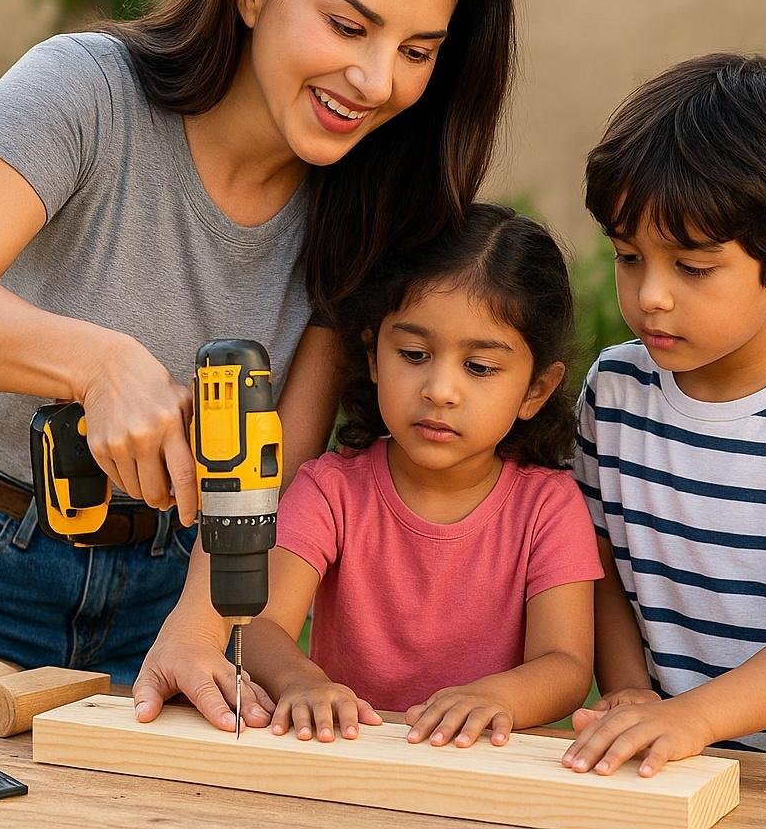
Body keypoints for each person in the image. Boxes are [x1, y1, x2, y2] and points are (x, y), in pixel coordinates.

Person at [0, 0, 517, 733]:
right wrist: (98, 364)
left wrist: (199, 626)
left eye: (417, 50)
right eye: (347, 24)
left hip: (178, 583)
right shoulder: (85, 90)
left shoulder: (371, 196)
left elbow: (282, 446)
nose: (375, 79)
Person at [564, 54, 766, 778]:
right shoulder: (615, 389)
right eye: (627, 257)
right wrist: (626, 689)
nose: (650, 295)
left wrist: (696, 716)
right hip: (664, 763)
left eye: (692, 266)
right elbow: (601, 567)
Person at [242, 203, 603, 746]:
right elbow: (261, 625)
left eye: (479, 367)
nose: (440, 389)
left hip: (488, 773)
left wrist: (496, 698)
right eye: (413, 353)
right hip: (348, 757)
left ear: (536, 390)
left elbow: (567, 665)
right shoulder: (330, 490)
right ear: (371, 356)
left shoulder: (549, 506)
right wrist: (301, 683)